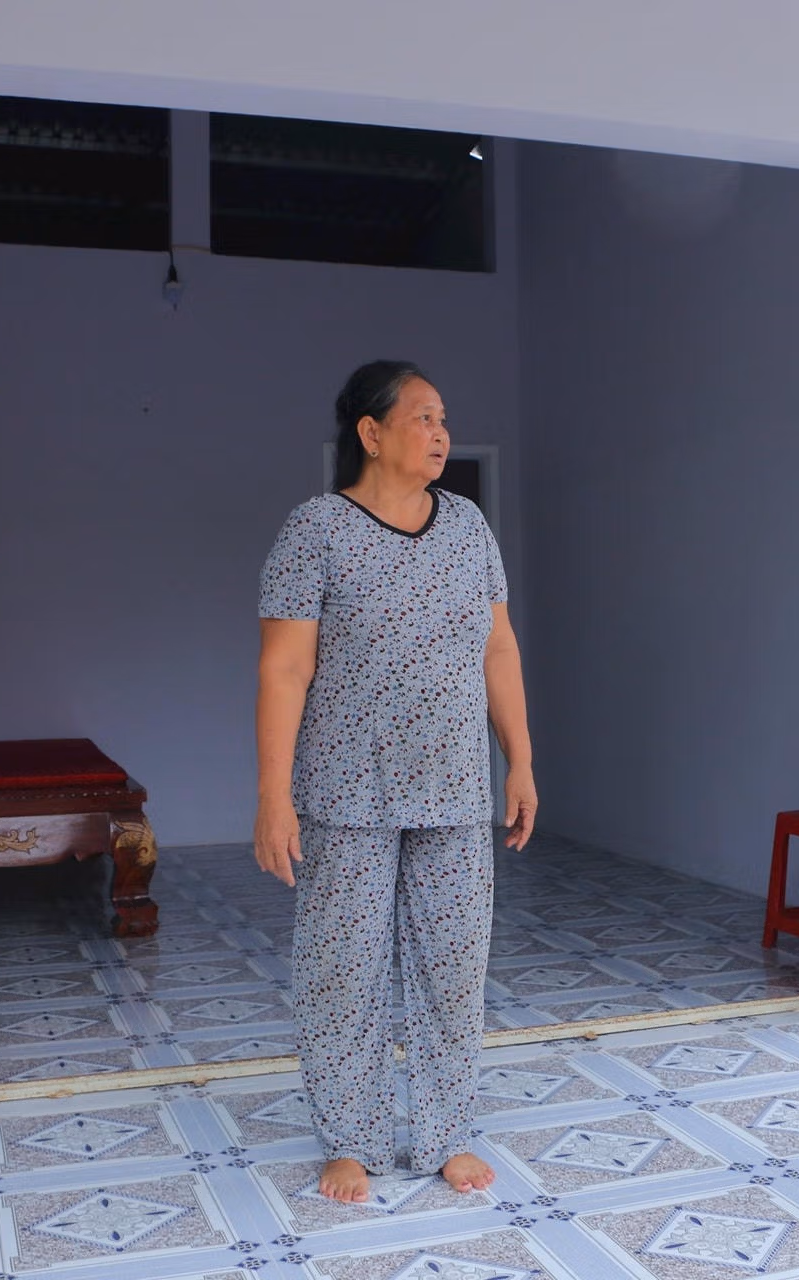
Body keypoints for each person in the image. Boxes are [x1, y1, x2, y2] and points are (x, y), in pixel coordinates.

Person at [255, 360, 538, 1204]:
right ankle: (351, 1139)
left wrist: (521, 759)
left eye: (444, 418)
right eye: (423, 417)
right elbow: (284, 669)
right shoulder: (315, 529)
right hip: (347, 792)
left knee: (454, 968)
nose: (441, 433)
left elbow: (499, 648)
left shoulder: (469, 528)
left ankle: (446, 1132)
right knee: (343, 971)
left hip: (455, 789)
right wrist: (273, 795)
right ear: (371, 433)